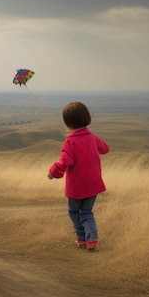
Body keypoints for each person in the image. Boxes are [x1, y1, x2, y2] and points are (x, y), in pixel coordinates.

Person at [48, 101, 109, 252]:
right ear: (87, 118)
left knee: (74, 212)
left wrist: (52, 172)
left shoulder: (69, 142)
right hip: (93, 185)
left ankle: (82, 239)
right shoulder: (93, 137)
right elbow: (105, 148)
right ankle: (92, 240)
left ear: (67, 122)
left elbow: (64, 162)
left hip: (76, 187)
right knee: (87, 212)